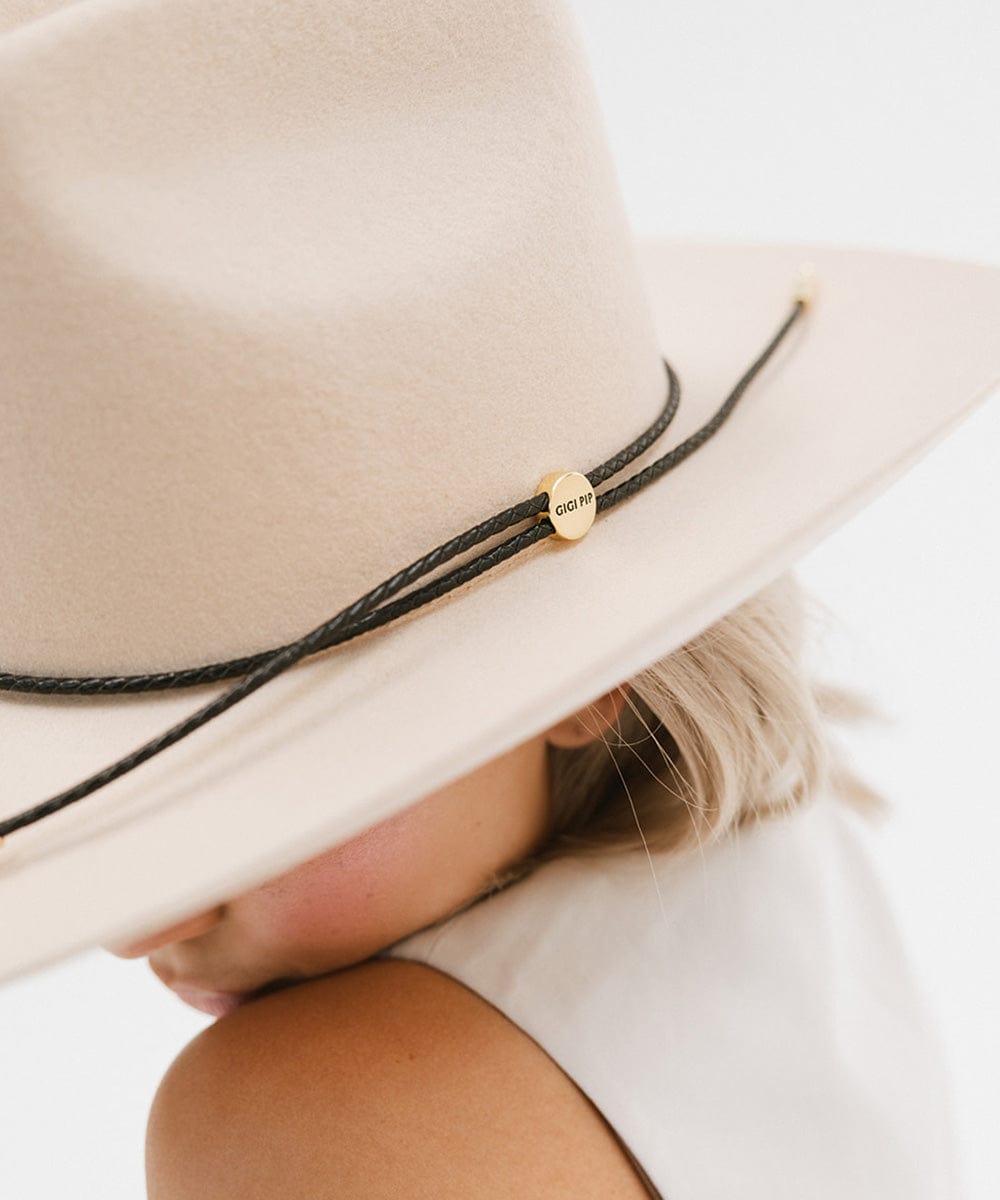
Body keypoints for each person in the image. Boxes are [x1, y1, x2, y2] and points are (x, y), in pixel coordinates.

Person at [1, 1, 997, 1197]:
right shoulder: (784, 873)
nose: (138, 928)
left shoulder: (309, 1115)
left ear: (583, 677)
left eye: (249, 798)